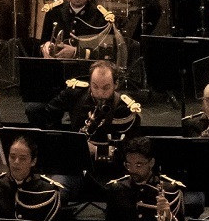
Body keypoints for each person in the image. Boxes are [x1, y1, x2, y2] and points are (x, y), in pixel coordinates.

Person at [44, 59, 142, 202]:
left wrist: (94, 150)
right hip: (75, 169)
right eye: (95, 86)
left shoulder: (125, 109)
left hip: (109, 173)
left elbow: (129, 150)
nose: (99, 93)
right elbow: (49, 112)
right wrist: (61, 139)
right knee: (54, 193)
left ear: (116, 84)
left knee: (123, 195)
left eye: (106, 88)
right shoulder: (76, 94)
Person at [40, 0, 118, 59]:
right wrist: (44, 47)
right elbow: (41, 44)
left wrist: (76, 53)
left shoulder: (102, 18)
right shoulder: (53, 12)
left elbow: (109, 55)